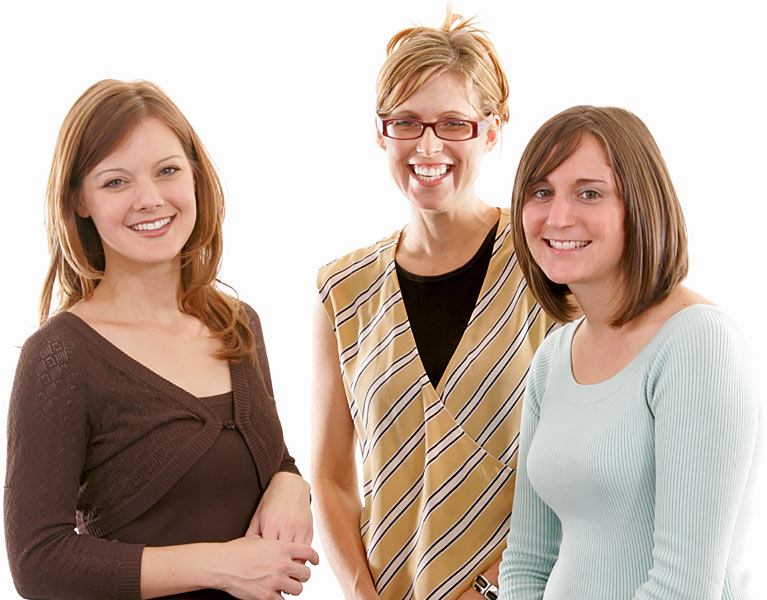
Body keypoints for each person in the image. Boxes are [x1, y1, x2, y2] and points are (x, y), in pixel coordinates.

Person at [4, 79, 319, 600]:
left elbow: (265, 458)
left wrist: (293, 484)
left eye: (167, 171)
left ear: (195, 177)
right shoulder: (62, 355)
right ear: (79, 200)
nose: (150, 200)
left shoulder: (238, 326)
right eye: (115, 182)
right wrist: (220, 566)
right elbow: (39, 563)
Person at [311, 12, 554, 600]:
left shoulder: (544, 267)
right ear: (381, 132)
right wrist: (360, 594)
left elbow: (585, 467)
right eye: (407, 123)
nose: (428, 145)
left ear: (490, 132)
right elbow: (330, 477)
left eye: (453, 123)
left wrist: (492, 588)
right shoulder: (343, 291)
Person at [497, 105, 760, 599]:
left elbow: (683, 589)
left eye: (589, 193)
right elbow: (526, 562)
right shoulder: (554, 356)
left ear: (639, 205)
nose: (558, 216)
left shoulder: (697, 344)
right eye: (540, 192)